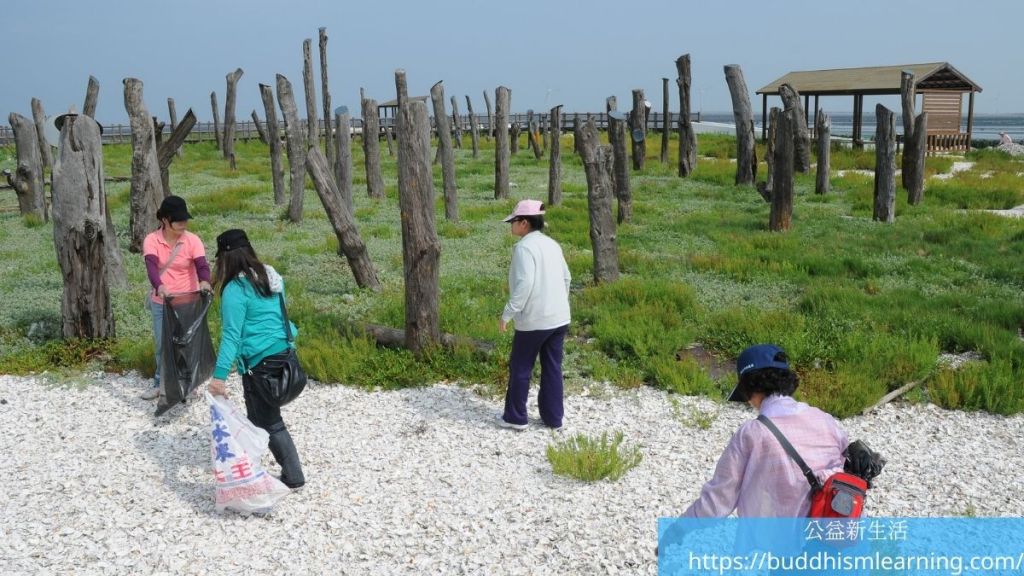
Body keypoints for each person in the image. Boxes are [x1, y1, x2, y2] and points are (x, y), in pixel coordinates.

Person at [681, 344, 848, 517]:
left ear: (749, 387)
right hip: (832, 534)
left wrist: (677, 531)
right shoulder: (825, 420)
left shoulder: (753, 433)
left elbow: (718, 499)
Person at [207, 229, 305, 489]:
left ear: (225, 258)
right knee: (258, 418)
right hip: (284, 352)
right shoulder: (270, 275)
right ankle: (253, 465)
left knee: (269, 421)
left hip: (260, 362)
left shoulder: (236, 289)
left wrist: (218, 378)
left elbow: (231, 337)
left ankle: (293, 477)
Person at [497, 199, 571, 431]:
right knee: (552, 367)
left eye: (514, 221)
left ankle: (516, 417)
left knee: (520, 366)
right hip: (559, 317)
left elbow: (524, 285)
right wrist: (558, 302)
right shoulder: (552, 244)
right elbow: (567, 278)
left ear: (525, 223)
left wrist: (507, 314)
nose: (511, 225)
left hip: (534, 320)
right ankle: (553, 419)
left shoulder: (524, 248)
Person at [141, 195, 211, 400]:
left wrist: (204, 281)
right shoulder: (152, 240)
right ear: (164, 219)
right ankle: (159, 383)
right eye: (178, 220)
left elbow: (202, 265)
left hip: (188, 302)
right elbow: (152, 268)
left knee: (187, 343)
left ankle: (188, 384)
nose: (183, 223)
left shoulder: (192, 240)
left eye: (185, 219)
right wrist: (160, 286)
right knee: (162, 344)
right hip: (162, 302)